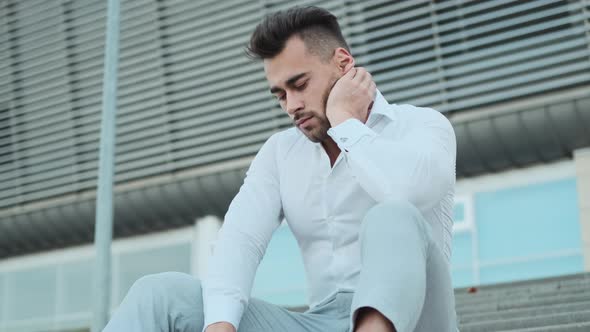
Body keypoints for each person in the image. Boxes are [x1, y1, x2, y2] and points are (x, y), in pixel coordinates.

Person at [102, 5, 458, 332]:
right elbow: (240, 240)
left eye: (299, 85)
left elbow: (406, 193)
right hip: (320, 321)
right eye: (280, 94)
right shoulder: (280, 152)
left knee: (393, 214)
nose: (292, 105)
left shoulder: (423, 125)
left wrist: (344, 120)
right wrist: (219, 327)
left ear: (343, 63)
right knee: (159, 294)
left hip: (420, 317)